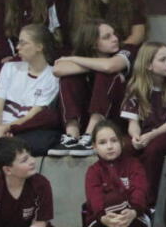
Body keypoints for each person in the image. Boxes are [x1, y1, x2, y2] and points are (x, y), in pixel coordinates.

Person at [50, 20, 132, 157]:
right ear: (93, 43)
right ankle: (72, 136)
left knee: (105, 74)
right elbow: (58, 69)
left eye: (114, 34)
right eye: (107, 37)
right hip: (86, 114)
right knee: (68, 78)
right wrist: (93, 65)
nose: (115, 39)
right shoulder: (84, 58)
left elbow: (109, 66)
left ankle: (91, 135)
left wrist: (73, 59)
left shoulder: (126, 52)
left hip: (116, 116)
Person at [120, 41, 166, 211]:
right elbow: (133, 122)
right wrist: (136, 137)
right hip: (145, 132)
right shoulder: (136, 87)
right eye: (163, 60)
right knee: (125, 147)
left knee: (153, 149)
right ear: (148, 65)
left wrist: (150, 136)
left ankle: (147, 202)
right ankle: (124, 195)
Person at [0, 25, 61, 156]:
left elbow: (31, 115)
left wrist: (6, 129)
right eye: (18, 43)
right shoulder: (9, 68)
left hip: (22, 129)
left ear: (39, 47)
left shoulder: (52, 76)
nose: (17, 47)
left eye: (23, 43)